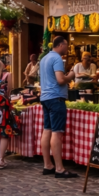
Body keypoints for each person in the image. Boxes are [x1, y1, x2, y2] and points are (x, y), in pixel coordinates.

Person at [40, 36, 76, 178]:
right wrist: (71, 75)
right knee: (57, 133)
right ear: (60, 45)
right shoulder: (57, 59)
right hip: (56, 98)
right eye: (66, 44)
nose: (67, 47)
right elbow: (61, 80)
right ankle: (59, 169)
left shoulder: (44, 58)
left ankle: (47, 165)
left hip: (45, 97)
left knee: (47, 130)